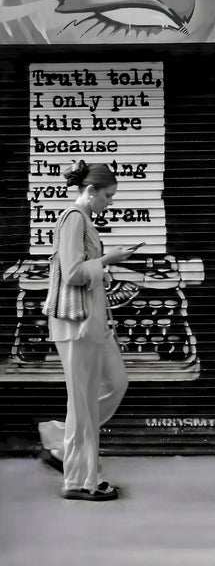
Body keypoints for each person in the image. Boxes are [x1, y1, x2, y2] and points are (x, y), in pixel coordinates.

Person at [38, 160, 134, 501]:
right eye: (107, 196)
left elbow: (84, 272)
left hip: (93, 322)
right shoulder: (73, 219)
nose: (109, 202)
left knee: (116, 383)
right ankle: (80, 481)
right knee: (83, 405)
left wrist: (103, 270)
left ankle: (60, 438)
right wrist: (109, 261)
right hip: (76, 325)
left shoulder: (86, 221)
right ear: (90, 191)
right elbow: (74, 273)